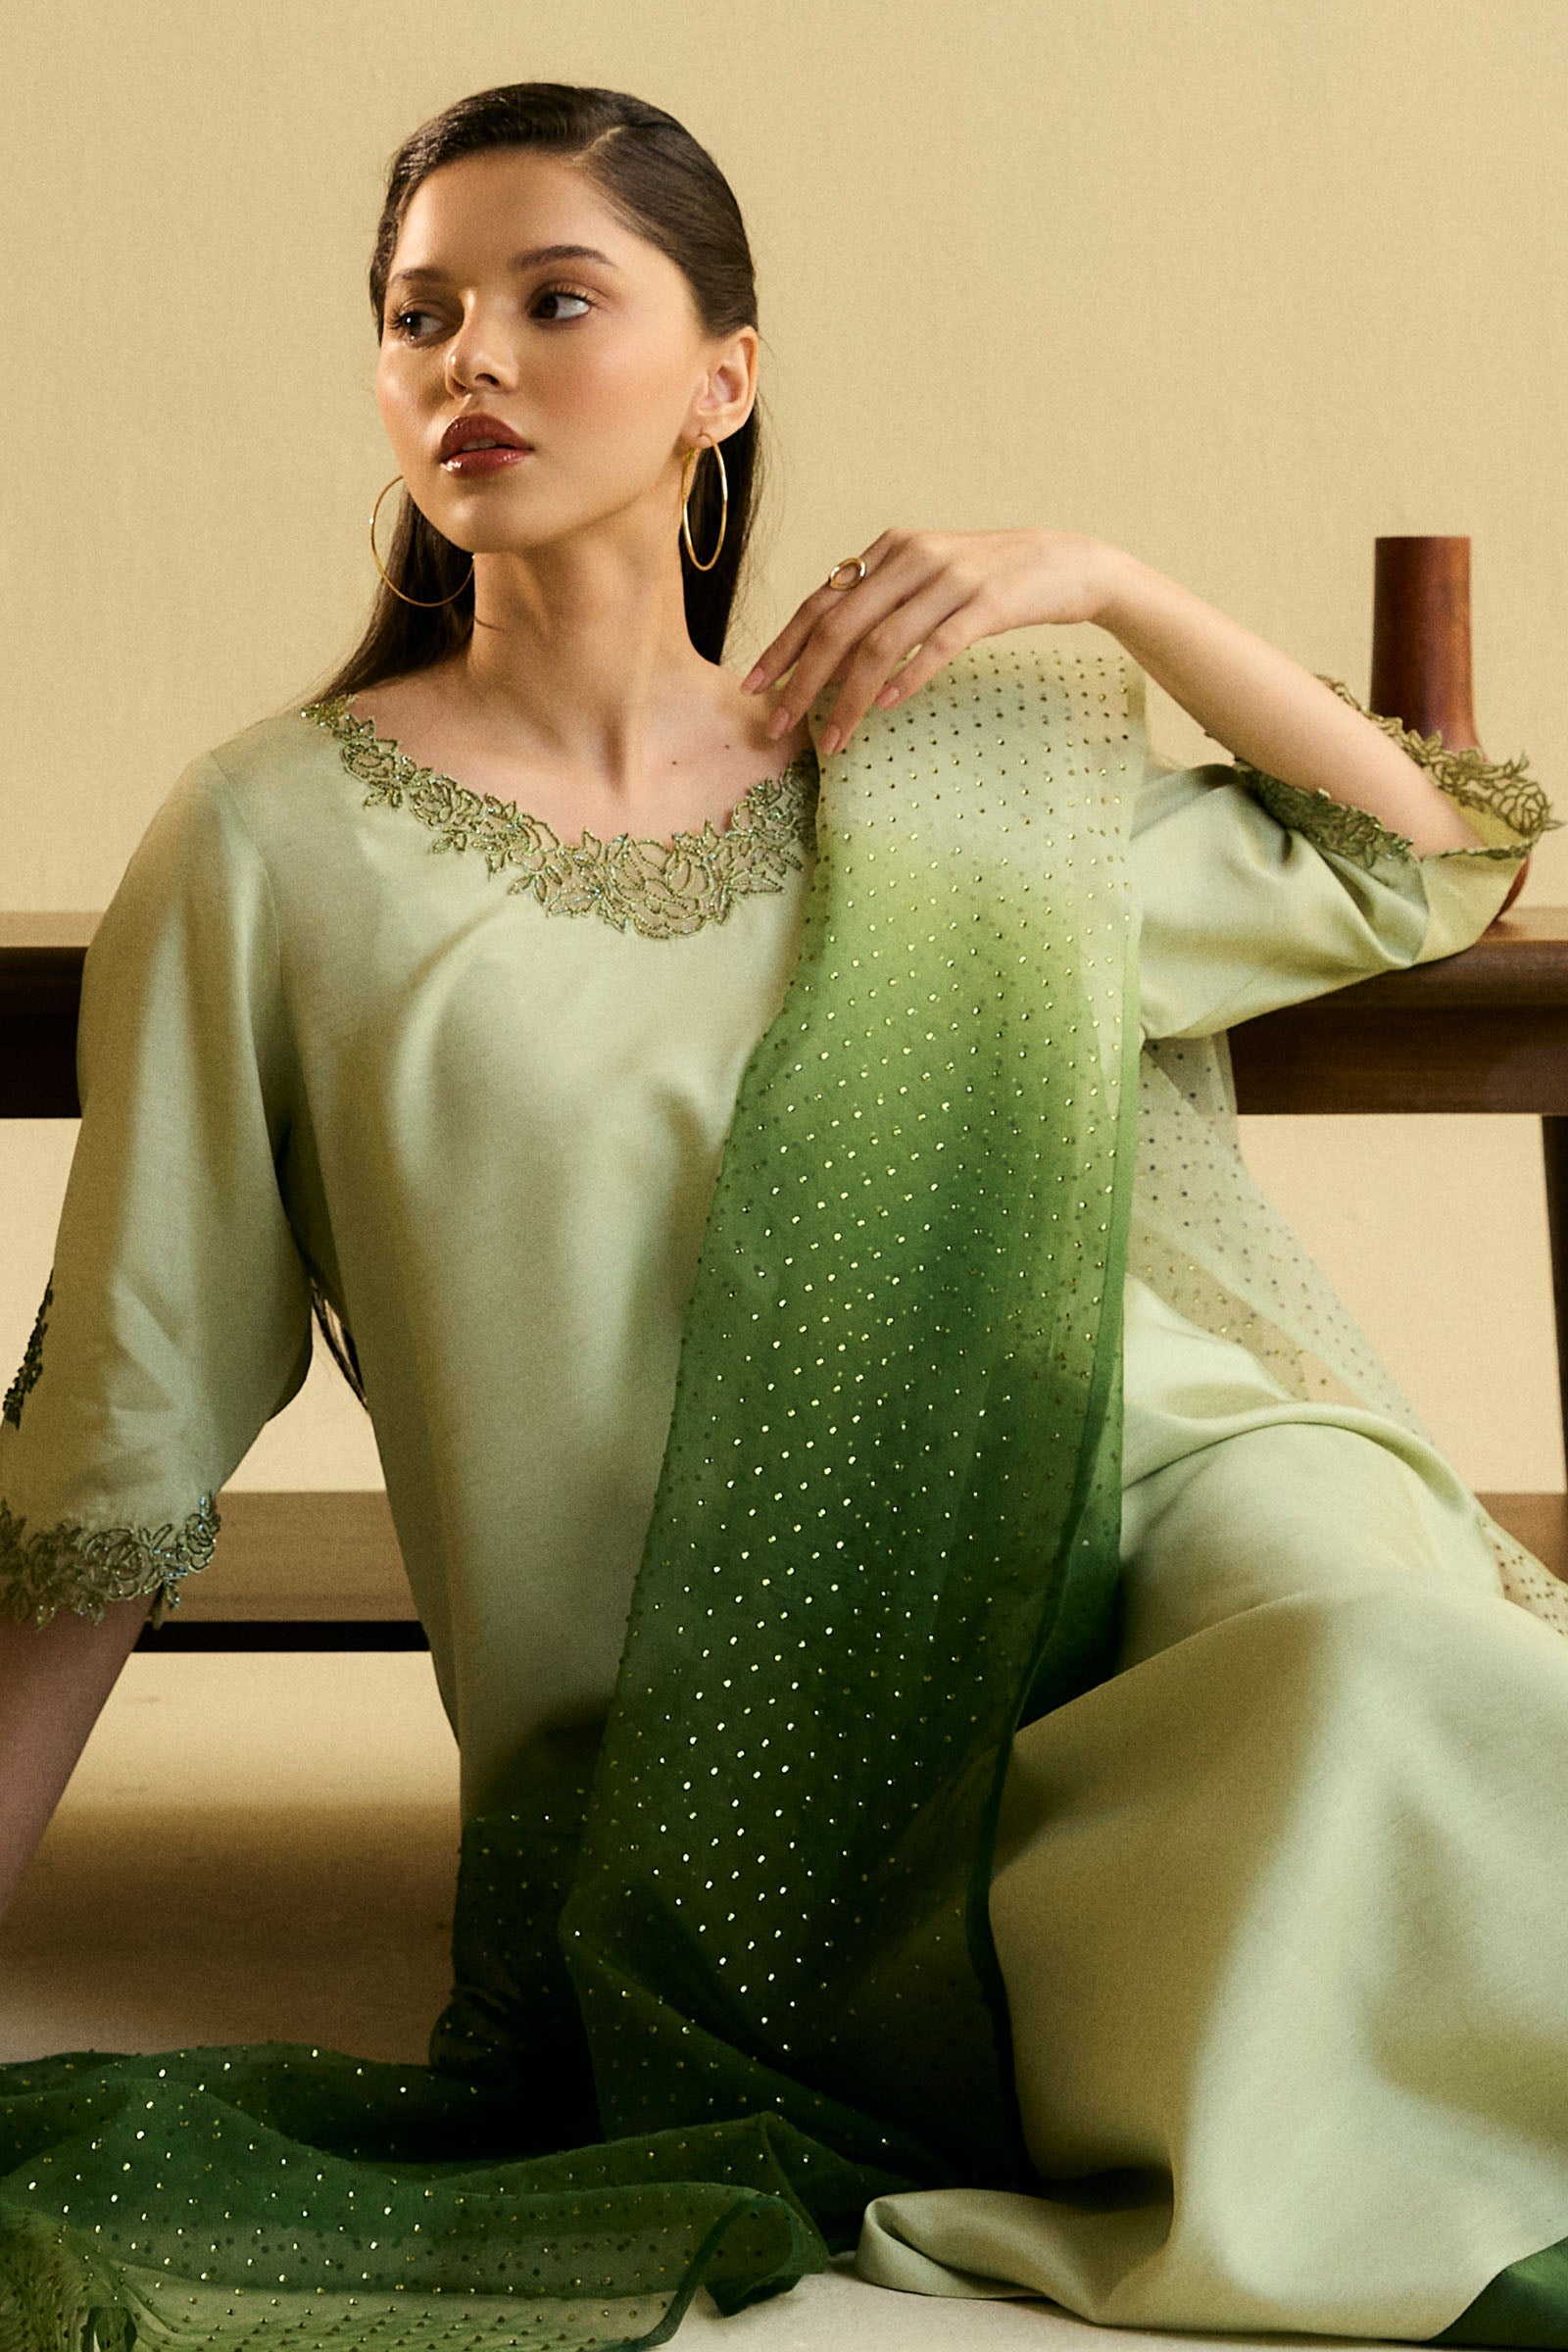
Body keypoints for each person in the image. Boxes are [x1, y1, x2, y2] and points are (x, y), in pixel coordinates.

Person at [1, 74, 1565, 2352]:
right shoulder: (273, 844)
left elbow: (1424, 860)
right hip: (719, 1740)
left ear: (719, 381)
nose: (470, 357)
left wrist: (1102, 583)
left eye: (555, 299)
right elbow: (120, 1434)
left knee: (1398, 1665)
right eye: (418, 313)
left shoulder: (938, 780)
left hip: (1156, 1497)